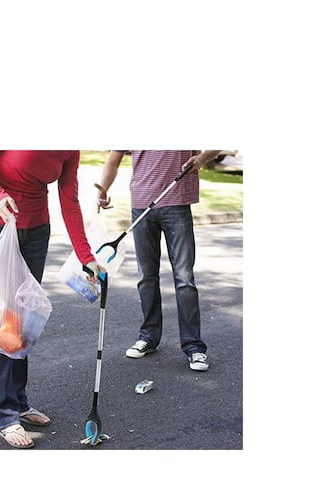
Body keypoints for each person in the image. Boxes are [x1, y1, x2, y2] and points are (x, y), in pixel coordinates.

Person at [0, 150, 105, 448]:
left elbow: (69, 200)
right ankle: (6, 416)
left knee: (23, 320)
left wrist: (86, 257)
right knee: (4, 321)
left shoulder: (70, 149)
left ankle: (19, 402)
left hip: (36, 231)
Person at [95, 150, 221, 371]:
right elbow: (114, 160)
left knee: (184, 279)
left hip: (177, 203)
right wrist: (102, 190)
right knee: (146, 277)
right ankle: (149, 337)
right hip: (141, 206)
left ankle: (193, 347)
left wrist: (201, 159)